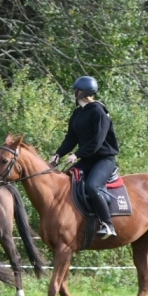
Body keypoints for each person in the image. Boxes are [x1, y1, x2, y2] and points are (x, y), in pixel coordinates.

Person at [50, 76, 120, 238]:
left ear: (82, 92)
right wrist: (58, 154)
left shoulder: (98, 111)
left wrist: (76, 155)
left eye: (76, 90)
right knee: (66, 180)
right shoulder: (77, 113)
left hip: (104, 160)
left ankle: (107, 224)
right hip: (88, 160)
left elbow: (97, 142)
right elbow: (71, 138)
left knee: (92, 185)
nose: (74, 93)